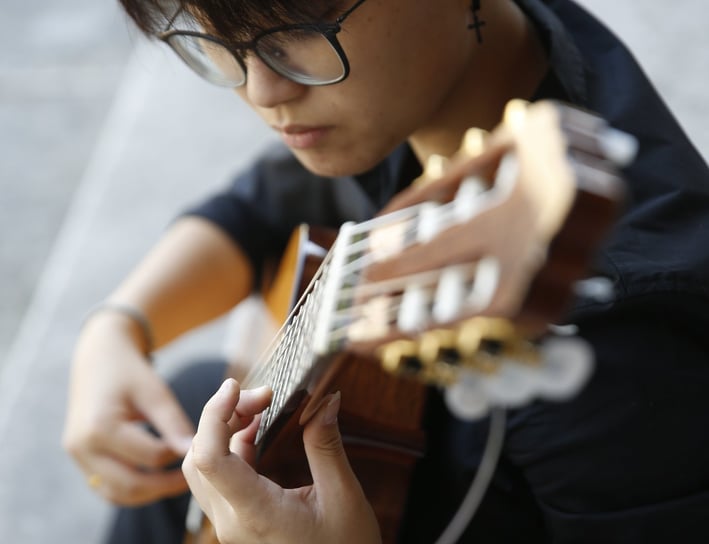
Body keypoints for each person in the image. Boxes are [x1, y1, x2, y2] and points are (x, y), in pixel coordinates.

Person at [62, 0, 709, 542]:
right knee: (175, 420)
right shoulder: (457, 71)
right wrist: (116, 328)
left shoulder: (617, 344)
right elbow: (265, 200)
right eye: (213, 37)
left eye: (301, 27)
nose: (262, 91)